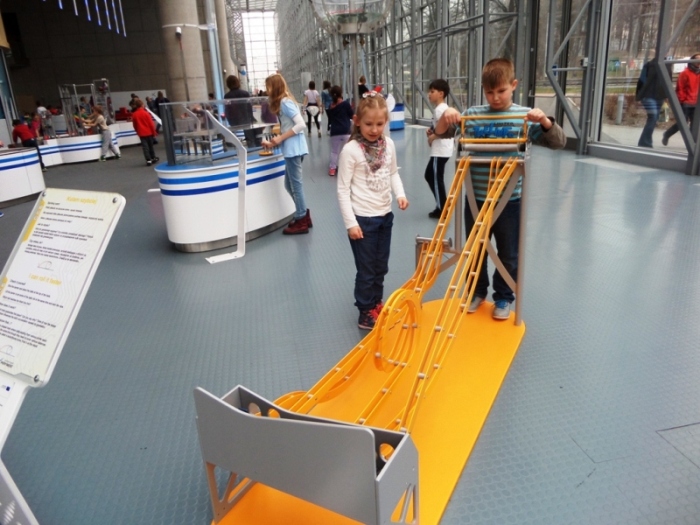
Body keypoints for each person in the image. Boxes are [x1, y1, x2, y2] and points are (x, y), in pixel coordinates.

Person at [434, 57, 565, 320]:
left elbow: (558, 142)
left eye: (501, 91)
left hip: (510, 201)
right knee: (475, 249)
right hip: (476, 199)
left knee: (508, 253)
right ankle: (476, 291)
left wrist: (544, 121)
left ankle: (504, 297)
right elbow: (439, 133)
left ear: (513, 85)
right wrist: (447, 119)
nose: (495, 98)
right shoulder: (472, 115)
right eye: (489, 92)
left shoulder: (523, 116)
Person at [337, 90, 409, 330]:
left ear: (386, 121)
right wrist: (351, 223)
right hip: (363, 221)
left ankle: (376, 302)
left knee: (381, 266)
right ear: (357, 121)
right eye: (368, 124)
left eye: (379, 124)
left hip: (385, 216)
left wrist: (400, 195)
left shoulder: (388, 145)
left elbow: (393, 173)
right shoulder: (351, 151)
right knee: (366, 269)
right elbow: (342, 190)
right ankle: (365, 310)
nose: (374, 129)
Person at [261, 73, 311, 235]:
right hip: (292, 148)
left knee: (295, 185)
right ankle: (303, 215)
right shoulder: (284, 103)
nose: (267, 90)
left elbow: (301, 124)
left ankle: (301, 218)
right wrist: (274, 141)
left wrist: (280, 138)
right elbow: (289, 126)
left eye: (268, 87)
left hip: (294, 149)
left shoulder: (285, 102)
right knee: (290, 185)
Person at [424, 79, 454, 218]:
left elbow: (449, 129)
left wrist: (433, 136)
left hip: (441, 150)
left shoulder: (441, 109)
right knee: (431, 175)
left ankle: (442, 208)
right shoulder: (441, 109)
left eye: (432, 91)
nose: (429, 94)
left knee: (435, 178)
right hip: (441, 150)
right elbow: (440, 126)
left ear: (441, 94)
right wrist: (432, 130)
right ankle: (442, 204)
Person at [662, 53, 700, 146]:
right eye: (697, 59)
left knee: (695, 125)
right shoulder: (685, 73)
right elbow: (680, 88)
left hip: (696, 103)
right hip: (686, 103)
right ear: (692, 61)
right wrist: (682, 100)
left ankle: (692, 143)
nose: (698, 61)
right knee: (682, 123)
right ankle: (667, 134)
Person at [636, 58, 667, 148]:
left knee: (654, 118)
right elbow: (641, 81)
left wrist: (666, 96)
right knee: (653, 117)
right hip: (648, 95)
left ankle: (645, 141)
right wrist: (639, 95)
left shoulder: (667, 65)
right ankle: (645, 143)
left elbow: (668, 81)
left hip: (659, 96)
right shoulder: (649, 65)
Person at [325, 85, 354, 176]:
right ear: (341, 93)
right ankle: (348, 168)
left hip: (334, 132)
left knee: (334, 151)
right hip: (346, 131)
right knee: (348, 150)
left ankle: (332, 169)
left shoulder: (330, 106)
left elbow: (331, 118)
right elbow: (352, 115)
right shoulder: (345, 104)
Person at [224, 74, 258, 148]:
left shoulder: (227, 96)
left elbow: (228, 109)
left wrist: (228, 118)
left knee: (236, 140)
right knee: (250, 138)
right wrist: (251, 118)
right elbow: (249, 107)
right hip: (245, 119)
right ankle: (252, 149)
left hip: (234, 120)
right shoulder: (245, 93)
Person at [131, 98, 158, 166]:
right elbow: (151, 124)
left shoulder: (134, 114)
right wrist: (154, 132)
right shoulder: (146, 113)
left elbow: (134, 125)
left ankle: (148, 160)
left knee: (145, 147)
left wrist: (137, 131)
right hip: (149, 132)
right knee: (150, 146)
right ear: (142, 105)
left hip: (141, 133)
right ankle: (153, 157)